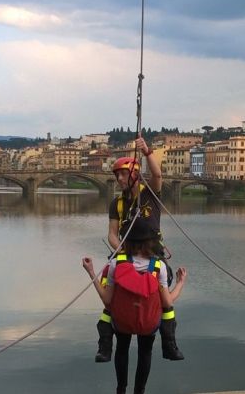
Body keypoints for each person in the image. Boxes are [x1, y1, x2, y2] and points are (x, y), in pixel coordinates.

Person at [93, 137, 185, 363]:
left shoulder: (150, 194)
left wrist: (147, 152)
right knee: (109, 288)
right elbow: (112, 234)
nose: (119, 179)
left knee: (164, 300)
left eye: (123, 174)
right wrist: (121, 251)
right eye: (117, 175)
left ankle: (169, 342)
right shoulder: (117, 203)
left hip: (152, 252)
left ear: (134, 174)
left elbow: (158, 175)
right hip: (128, 252)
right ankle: (105, 344)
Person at [83, 227, 187, 394]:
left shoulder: (115, 264)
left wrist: (91, 272)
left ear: (127, 242)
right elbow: (167, 302)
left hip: (122, 321)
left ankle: (121, 390)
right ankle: (140, 391)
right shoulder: (158, 266)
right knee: (145, 352)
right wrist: (181, 282)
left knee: (122, 349)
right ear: (153, 242)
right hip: (148, 323)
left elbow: (107, 300)